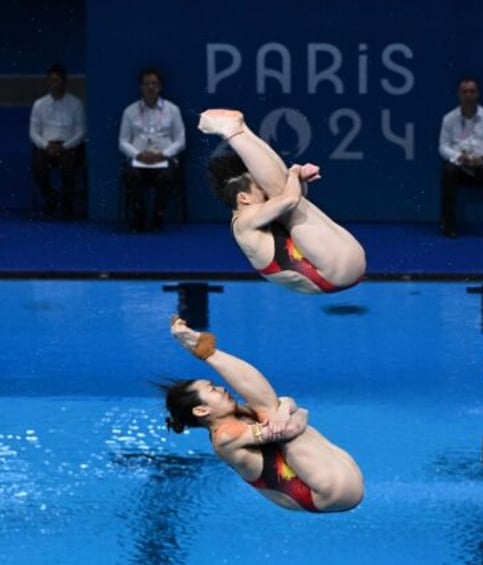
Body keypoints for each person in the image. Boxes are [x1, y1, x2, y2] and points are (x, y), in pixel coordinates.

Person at [161, 316, 364, 513]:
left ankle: (209, 353)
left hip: (337, 485)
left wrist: (286, 409)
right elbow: (290, 427)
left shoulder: (240, 415)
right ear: (201, 410)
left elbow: (286, 403)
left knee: (270, 409)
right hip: (326, 493)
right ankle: (209, 354)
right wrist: (294, 412)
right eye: (213, 389)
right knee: (269, 410)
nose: (222, 389)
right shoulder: (225, 436)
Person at [202, 109, 366, 293]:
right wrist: (295, 173)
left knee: (282, 188)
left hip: (338, 268)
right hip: (332, 274)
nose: (263, 187)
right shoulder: (244, 221)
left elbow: (297, 198)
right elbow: (290, 199)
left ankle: (241, 129)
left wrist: (299, 178)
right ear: (243, 198)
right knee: (280, 189)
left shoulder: (261, 210)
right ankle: (234, 132)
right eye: (258, 186)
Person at [119, 67, 186, 232]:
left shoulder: (173, 110)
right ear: (141, 87)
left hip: (164, 161)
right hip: (138, 161)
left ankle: (157, 217)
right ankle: (138, 218)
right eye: (146, 84)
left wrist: (163, 155)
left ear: (160, 86)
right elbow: (122, 141)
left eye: (154, 83)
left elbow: (181, 141)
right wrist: (138, 154)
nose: (150, 87)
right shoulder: (130, 111)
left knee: (167, 176)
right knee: (130, 174)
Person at [438, 77, 483, 238]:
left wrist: (482, 157)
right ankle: (449, 226)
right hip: (459, 165)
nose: (468, 95)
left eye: (472, 91)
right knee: (448, 171)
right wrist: (458, 157)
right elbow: (443, 146)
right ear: (459, 94)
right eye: (465, 91)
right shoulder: (449, 119)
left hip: (481, 165)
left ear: (478, 94)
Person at [29, 63, 86, 218]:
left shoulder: (76, 104)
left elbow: (81, 132)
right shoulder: (39, 104)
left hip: (68, 146)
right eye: (51, 80)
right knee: (37, 166)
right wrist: (46, 146)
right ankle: (51, 197)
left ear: (64, 82)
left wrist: (65, 146)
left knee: (69, 166)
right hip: (46, 146)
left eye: (58, 80)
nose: (54, 84)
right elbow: (33, 132)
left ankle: (67, 204)